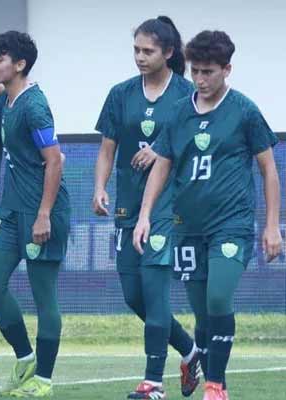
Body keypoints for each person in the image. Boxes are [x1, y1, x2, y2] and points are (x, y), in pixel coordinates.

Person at [133, 30, 282, 400]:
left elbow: (268, 169)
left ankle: (217, 384)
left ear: (227, 70)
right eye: (195, 71)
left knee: (218, 298)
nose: (200, 79)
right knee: (202, 317)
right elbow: (163, 165)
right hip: (187, 227)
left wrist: (271, 224)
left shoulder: (244, 110)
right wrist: (145, 214)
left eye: (208, 72)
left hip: (230, 225)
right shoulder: (181, 111)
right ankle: (199, 361)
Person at [93, 17, 200, 399]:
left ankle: (153, 383)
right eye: (136, 49)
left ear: (169, 53)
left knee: (155, 294)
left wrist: (162, 151)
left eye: (148, 51)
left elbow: (196, 144)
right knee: (133, 297)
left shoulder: (188, 94)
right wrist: (99, 187)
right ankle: (190, 351)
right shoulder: (121, 94)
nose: (140, 57)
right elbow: (108, 146)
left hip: (170, 208)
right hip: (127, 206)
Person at [0, 30, 69, 398]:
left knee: (44, 296)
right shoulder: (11, 100)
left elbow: (54, 160)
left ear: (20, 64)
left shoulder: (34, 105)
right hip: (11, 210)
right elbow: (0, 91)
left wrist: (43, 214)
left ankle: (43, 378)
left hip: (40, 212)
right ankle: (25, 357)